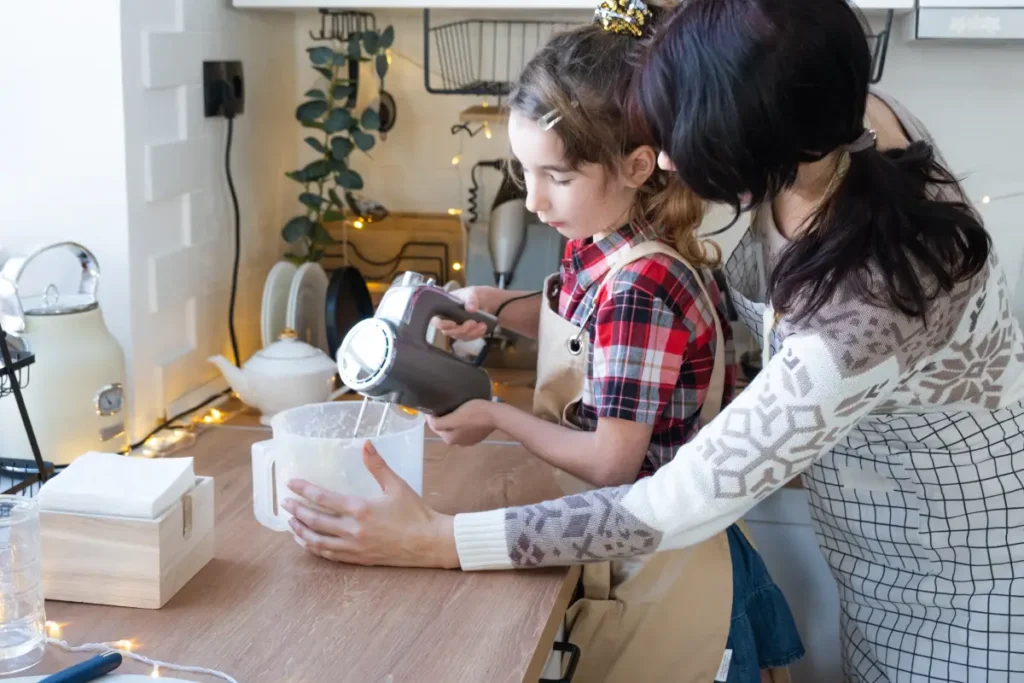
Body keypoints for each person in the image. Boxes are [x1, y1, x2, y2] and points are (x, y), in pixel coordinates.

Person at [282, 0, 1024, 680]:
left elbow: (670, 498)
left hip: (969, 594)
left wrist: (439, 540)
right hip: (875, 558)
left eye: (684, 141)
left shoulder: (862, 309)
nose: (666, 161)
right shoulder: (834, 112)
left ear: (764, 137)